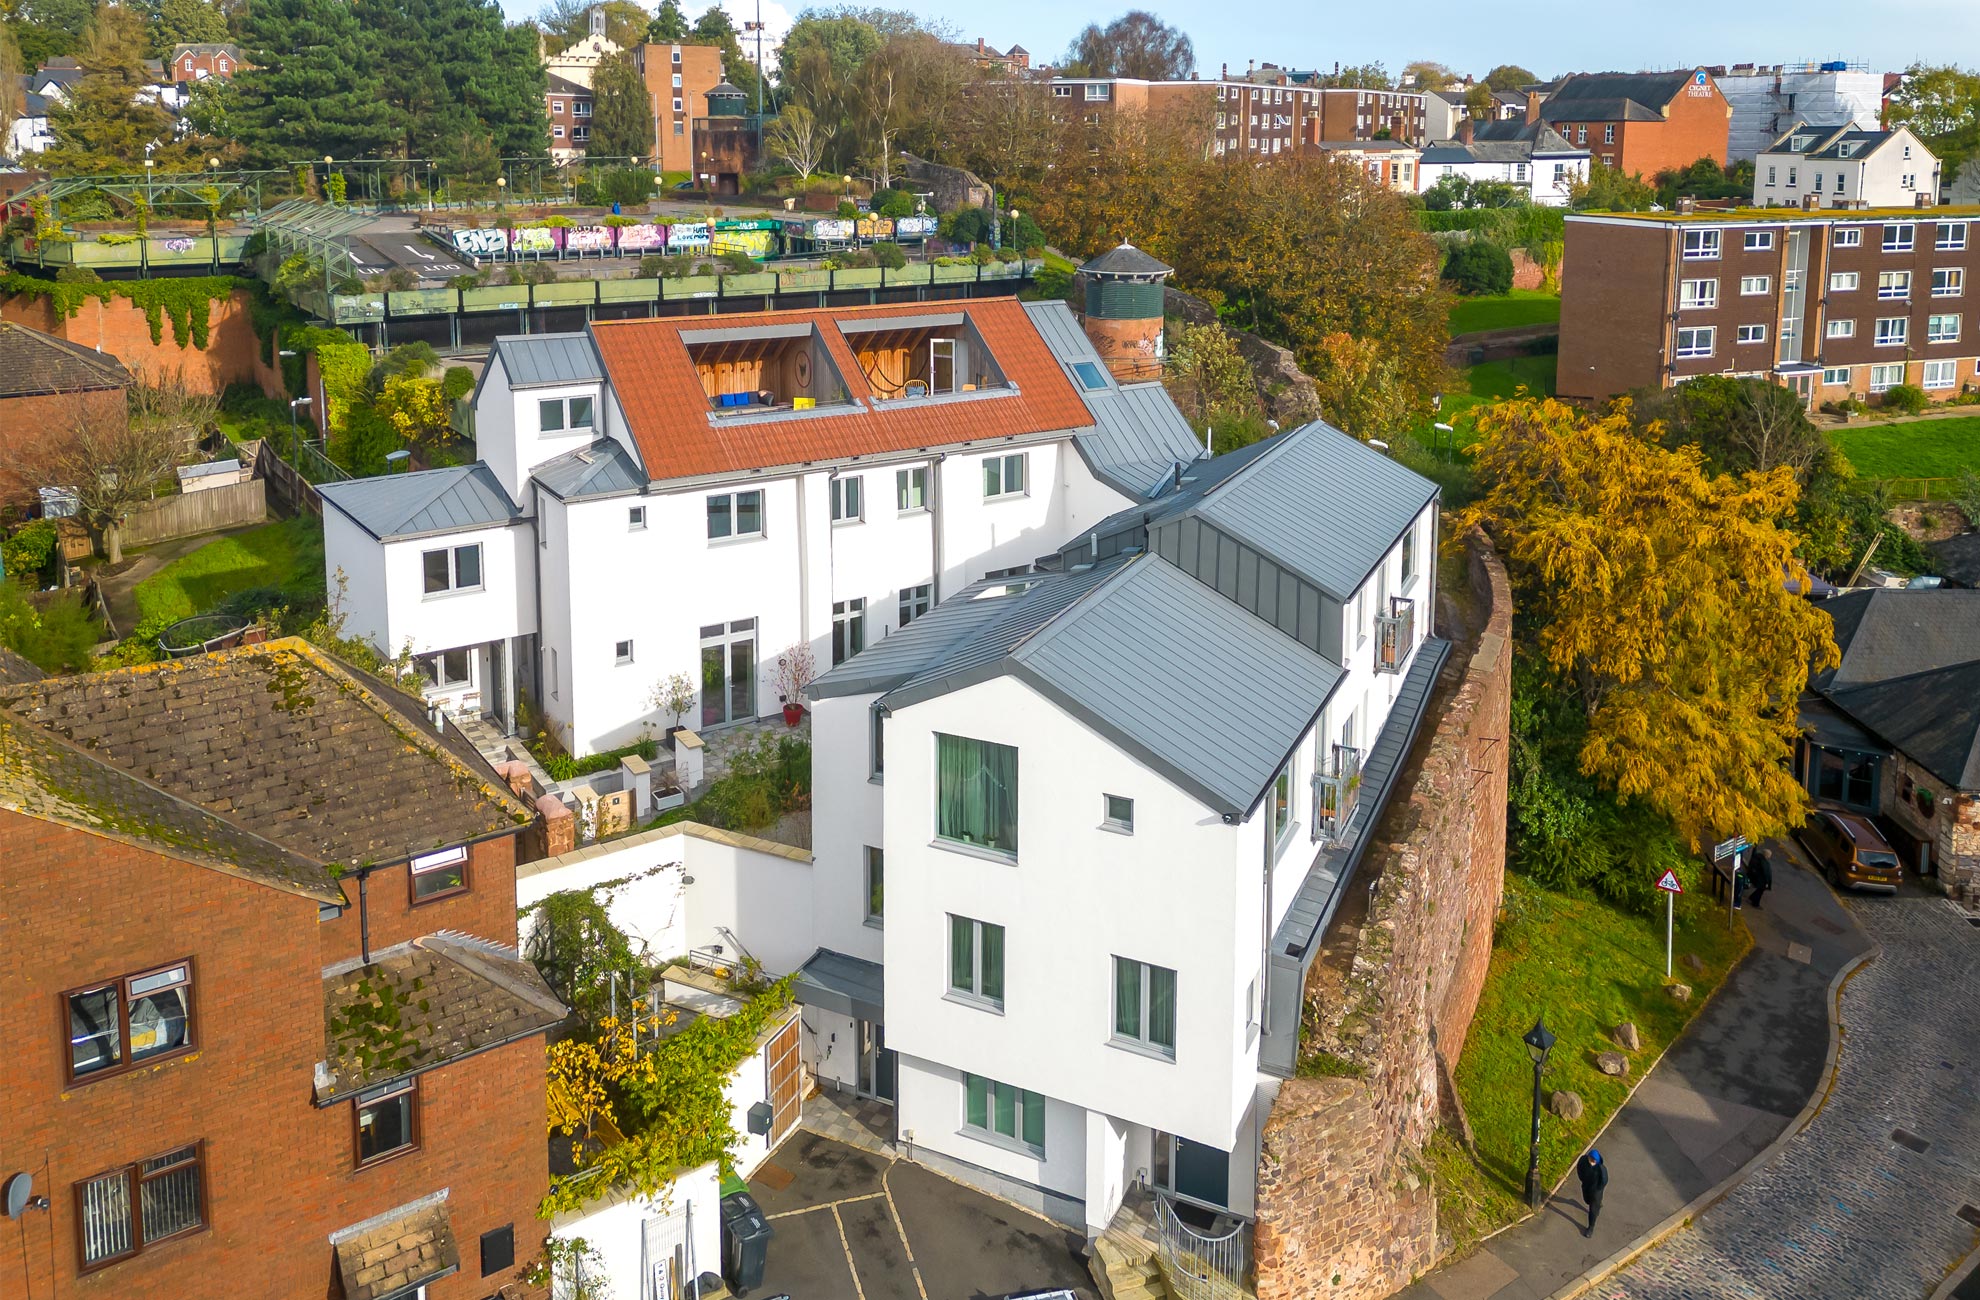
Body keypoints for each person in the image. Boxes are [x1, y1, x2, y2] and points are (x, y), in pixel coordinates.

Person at [1577, 1148, 1608, 1237]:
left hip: (1596, 1191)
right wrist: (1582, 1179)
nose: (1591, 1162)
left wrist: (1598, 1189)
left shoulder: (1601, 1169)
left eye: (1594, 1160)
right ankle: (1598, 1204)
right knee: (1587, 1200)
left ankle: (1591, 1227)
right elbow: (1579, 1169)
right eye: (1590, 1159)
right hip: (1586, 1186)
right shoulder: (1583, 1161)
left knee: (1593, 1209)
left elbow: (1604, 1180)